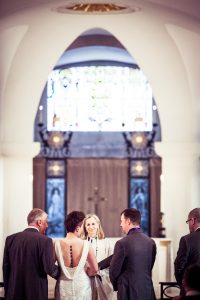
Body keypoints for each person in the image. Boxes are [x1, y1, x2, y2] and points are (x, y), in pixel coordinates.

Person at [99, 208, 157, 300]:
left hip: (127, 290)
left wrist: (117, 285)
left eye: (122, 221)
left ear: (128, 221)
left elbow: (114, 270)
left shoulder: (122, 243)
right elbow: (149, 266)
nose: (120, 224)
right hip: (147, 288)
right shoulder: (150, 242)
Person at [3, 208, 59, 300]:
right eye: (46, 222)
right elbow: (50, 269)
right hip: (36, 293)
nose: (47, 225)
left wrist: (7, 292)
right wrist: (66, 274)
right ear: (39, 222)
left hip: (13, 293)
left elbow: (6, 268)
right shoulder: (45, 241)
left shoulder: (10, 239)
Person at [54, 211, 98, 300]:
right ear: (77, 228)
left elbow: (50, 267)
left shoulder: (56, 244)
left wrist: (61, 273)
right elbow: (95, 269)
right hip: (82, 286)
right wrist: (86, 272)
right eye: (82, 227)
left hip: (63, 287)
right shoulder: (86, 244)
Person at [82, 214, 117, 300]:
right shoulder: (82, 243)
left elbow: (112, 261)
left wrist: (100, 272)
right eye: (88, 224)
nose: (91, 227)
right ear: (85, 227)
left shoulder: (107, 242)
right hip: (86, 279)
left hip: (103, 279)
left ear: (98, 225)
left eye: (93, 224)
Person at [174, 208, 200, 295]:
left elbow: (178, 267)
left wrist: (185, 285)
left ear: (192, 220)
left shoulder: (187, 240)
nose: (188, 225)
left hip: (190, 292)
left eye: (188, 222)